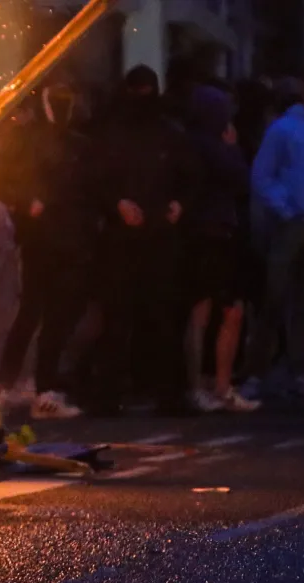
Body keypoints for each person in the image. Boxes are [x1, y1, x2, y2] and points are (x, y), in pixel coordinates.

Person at [90, 65, 200, 415]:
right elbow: (94, 181)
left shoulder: (170, 133)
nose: (142, 98)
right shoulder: (113, 134)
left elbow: (191, 178)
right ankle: (110, 395)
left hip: (160, 236)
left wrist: (180, 205)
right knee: (118, 316)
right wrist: (117, 204)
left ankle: (166, 393)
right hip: (121, 237)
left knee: (162, 315)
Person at [0, 78, 94, 418]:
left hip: (72, 241)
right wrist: (26, 203)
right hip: (40, 239)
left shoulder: (79, 144)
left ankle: (44, 390)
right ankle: (5, 387)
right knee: (32, 312)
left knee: (57, 317)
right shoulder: (27, 140)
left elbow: (93, 189)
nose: (64, 106)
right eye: (58, 99)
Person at [243, 62, 304, 400]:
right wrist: (287, 207)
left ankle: (299, 371)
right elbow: (261, 175)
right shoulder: (284, 129)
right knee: (275, 299)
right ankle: (257, 371)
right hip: (294, 223)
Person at [181, 85, 261, 412]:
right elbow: (241, 179)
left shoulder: (188, 142)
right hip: (213, 234)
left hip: (206, 234)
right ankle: (216, 387)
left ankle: (206, 387)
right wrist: (232, 148)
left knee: (209, 312)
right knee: (221, 311)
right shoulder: (213, 146)